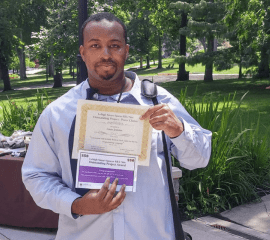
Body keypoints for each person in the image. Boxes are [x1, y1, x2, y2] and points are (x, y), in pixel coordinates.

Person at [22, 12, 211, 240]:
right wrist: (77, 204)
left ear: (126, 50)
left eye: (114, 45)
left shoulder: (158, 102)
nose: (105, 54)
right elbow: (36, 176)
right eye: (95, 45)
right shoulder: (58, 113)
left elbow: (199, 159)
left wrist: (179, 130)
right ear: (83, 53)